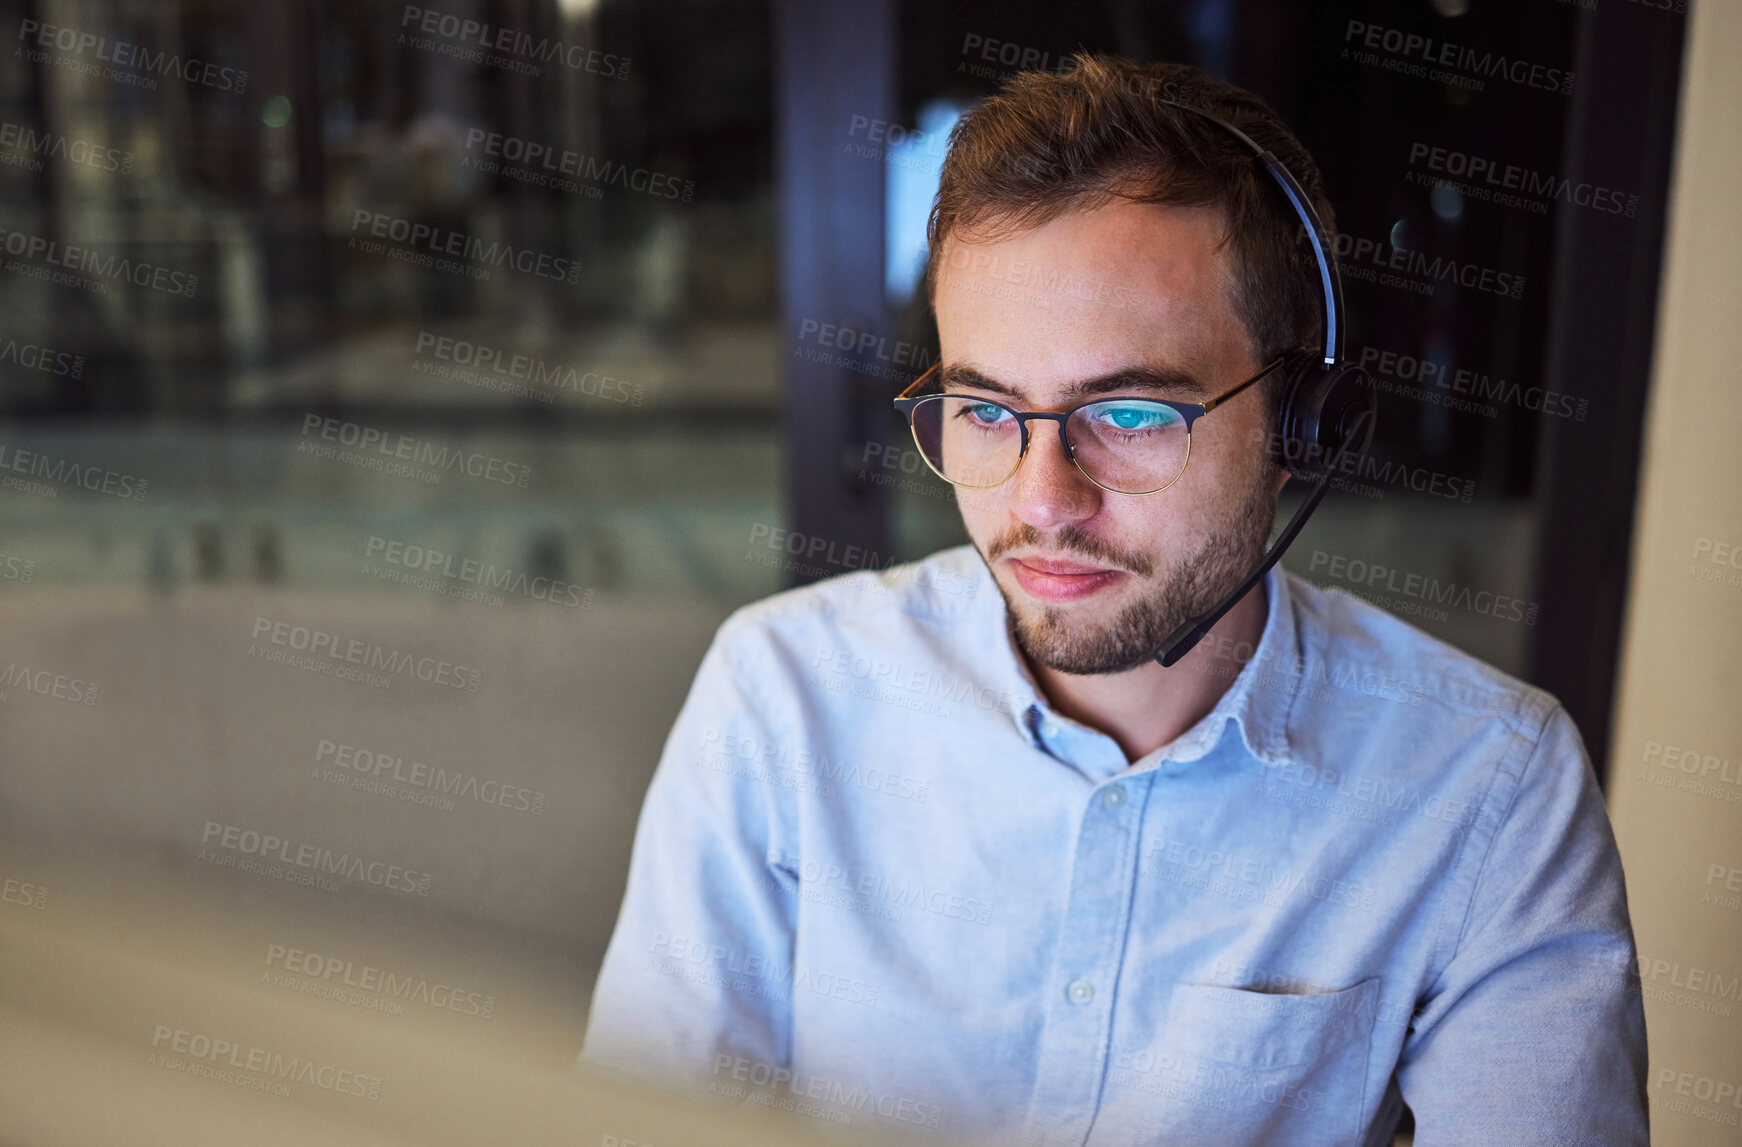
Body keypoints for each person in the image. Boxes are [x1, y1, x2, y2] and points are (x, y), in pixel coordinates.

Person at [578, 55, 1647, 1147]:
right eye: (986, 410)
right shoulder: (784, 696)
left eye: (1130, 415)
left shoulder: (1486, 786)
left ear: (1302, 426)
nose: (1042, 503)